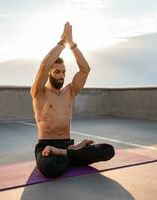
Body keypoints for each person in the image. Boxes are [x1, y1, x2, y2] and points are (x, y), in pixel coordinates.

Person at [30, 22, 115, 178]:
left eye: (64, 72)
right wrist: (63, 42)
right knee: (50, 167)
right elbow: (43, 65)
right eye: (57, 72)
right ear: (49, 72)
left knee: (108, 150)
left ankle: (65, 153)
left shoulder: (70, 92)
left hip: (67, 144)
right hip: (46, 146)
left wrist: (73, 45)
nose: (62, 76)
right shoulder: (38, 92)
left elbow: (85, 69)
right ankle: (73, 155)